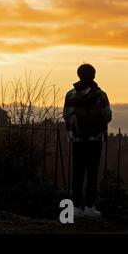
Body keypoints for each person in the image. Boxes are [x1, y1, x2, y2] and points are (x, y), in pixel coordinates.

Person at [63, 64, 112, 218]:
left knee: (77, 173)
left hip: (77, 140)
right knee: (92, 173)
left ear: (79, 75)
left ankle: (76, 207)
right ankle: (90, 206)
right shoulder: (100, 95)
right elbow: (108, 115)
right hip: (95, 140)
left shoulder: (70, 95)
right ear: (94, 75)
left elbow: (66, 115)